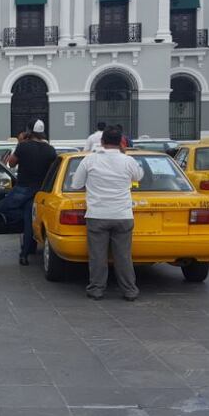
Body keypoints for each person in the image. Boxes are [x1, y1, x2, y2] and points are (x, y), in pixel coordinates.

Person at [70, 127, 145, 302]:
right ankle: (129, 290)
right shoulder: (128, 161)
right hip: (122, 215)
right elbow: (139, 176)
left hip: (97, 214)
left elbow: (76, 184)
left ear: (102, 141)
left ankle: (96, 289)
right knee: (123, 256)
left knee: (97, 256)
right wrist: (124, 153)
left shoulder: (90, 161)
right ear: (121, 142)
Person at [0, 120, 57, 265]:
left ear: (29, 133)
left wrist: (20, 143)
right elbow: (52, 171)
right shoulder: (50, 150)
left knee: (3, 207)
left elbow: (11, 163)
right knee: (29, 218)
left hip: (23, 188)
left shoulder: (23, 147)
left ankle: (21, 227)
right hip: (40, 191)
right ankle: (24, 253)